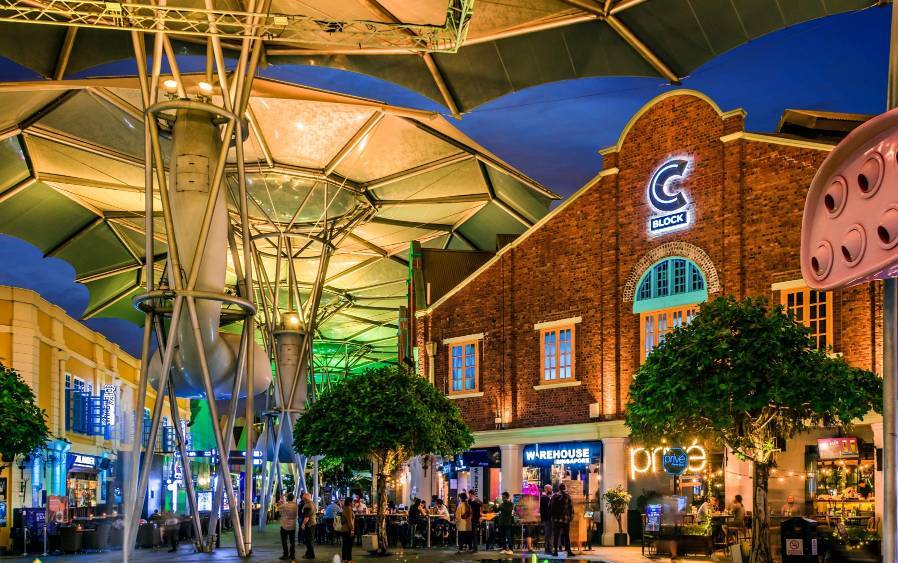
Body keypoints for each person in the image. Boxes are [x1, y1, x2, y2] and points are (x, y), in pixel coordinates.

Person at [550, 483, 574, 557]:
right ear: (565, 488)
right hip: (565, 519)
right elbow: (571, 508)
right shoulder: (567, 496)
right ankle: (568, 551)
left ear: (559, 488)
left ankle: (555, 551)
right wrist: (571, 517)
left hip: (556, 520)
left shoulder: (554, 496)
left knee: (556, 536)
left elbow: (550, 506)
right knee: (567, 536)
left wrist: (552, 517)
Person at [279, 492, 299, 561]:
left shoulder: (284, 506)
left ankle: (285, 554)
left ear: (287, 499)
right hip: (292, 525)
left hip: (284, 525)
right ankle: (292, 555)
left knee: (284, 541)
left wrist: (282, 496)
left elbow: (279, 511)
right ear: (293, 498)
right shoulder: (295, 506)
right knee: (292, 541)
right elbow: (296, 514)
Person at [300, 492, 317, 559]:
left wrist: (303, 524)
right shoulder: (312, 503)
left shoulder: (307, 506)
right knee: (310, 539)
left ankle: (311, 555)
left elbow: (306, 517)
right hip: (313, 523)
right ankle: (308, 553)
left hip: (309, 524)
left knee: (309, 540)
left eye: (303, 498)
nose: (302, 499)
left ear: (305, 498)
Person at [339, 498, 355, 563]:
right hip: (347, 529)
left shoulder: (345, 508)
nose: (353, 503)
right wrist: (352, 530)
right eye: (352, 501)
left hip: (344, 529)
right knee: (349, 545)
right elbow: (349, 521)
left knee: (345, 545)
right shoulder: (348, 509)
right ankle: (349, 560)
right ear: (349, 502)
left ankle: (344, 559)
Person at [540, 484, 554, 555]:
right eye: (550, 489)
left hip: (546, 518)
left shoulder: (544, 497)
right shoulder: (545, 498)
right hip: (548, 518)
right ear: (547, 489)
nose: (551, 491)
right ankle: (549, 549)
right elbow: (547, 508)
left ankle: (548, 549)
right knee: (549, 534)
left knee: (548, 534)